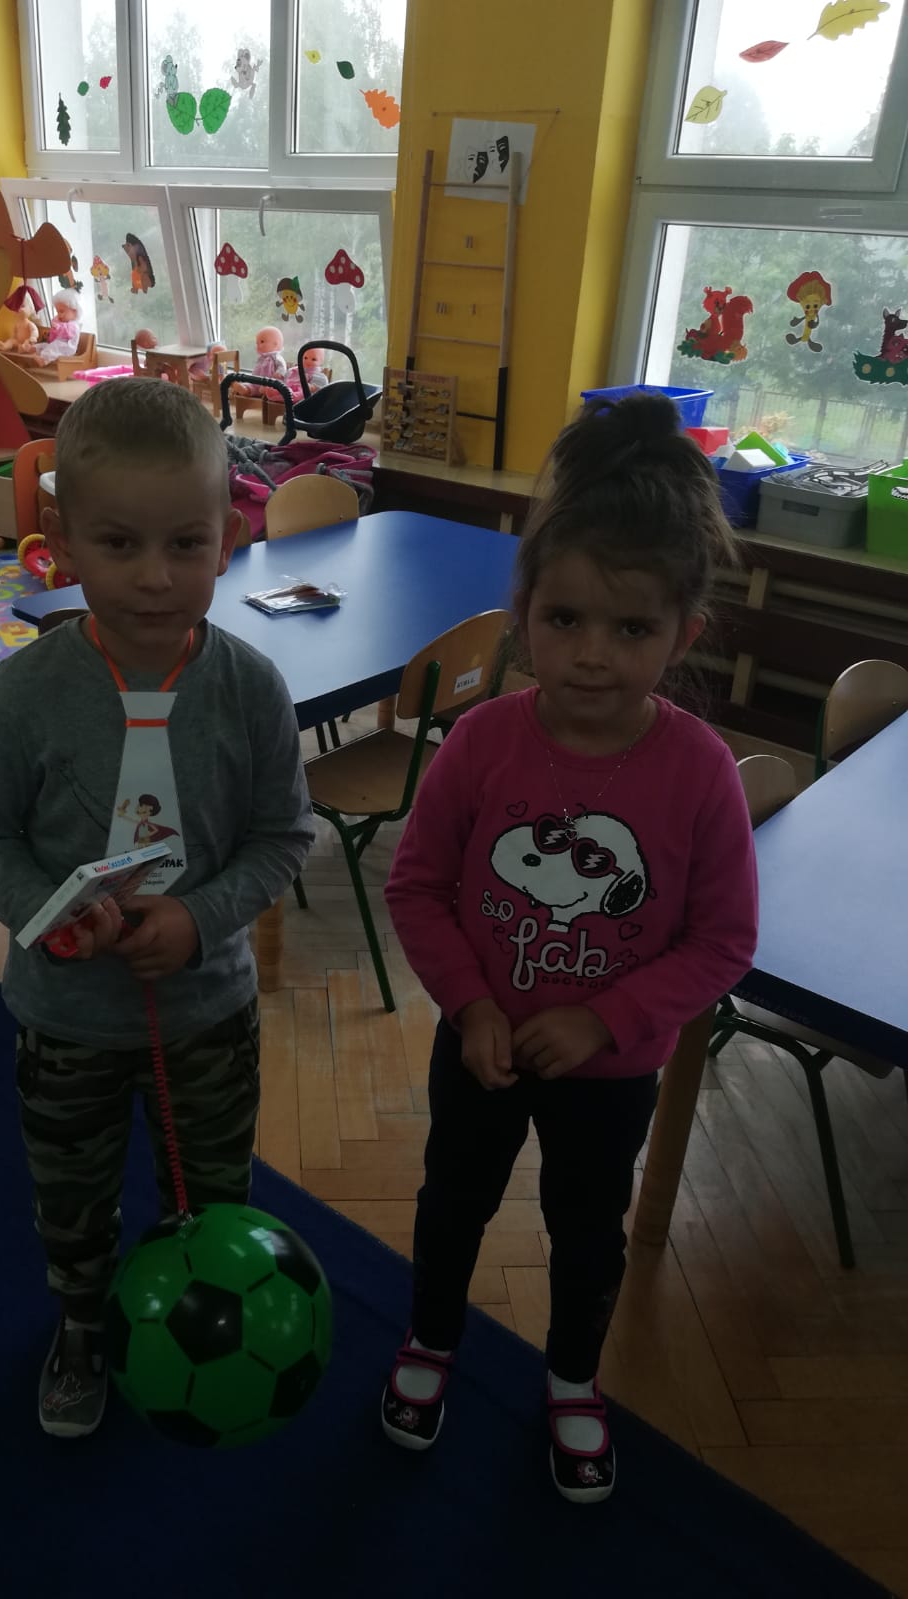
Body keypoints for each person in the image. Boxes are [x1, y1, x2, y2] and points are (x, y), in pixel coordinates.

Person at [380, 394, 759, 1502]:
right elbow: (417, 885)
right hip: (483, 1048)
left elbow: (724, 939)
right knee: (453, 1202)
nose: (592, 656)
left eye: (631, 630)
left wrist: (605, 1019)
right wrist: (470, 1006)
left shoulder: (698, 772)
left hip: (612, 1073)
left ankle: (574, 1380)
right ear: (523, 614)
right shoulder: (482, 741)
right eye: (565, 619)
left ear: (685, 634)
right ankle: (432, 1338)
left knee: (588, 1231)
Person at [0, 377, 314, 1439]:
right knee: (72, 1191)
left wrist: (200, 919)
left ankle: (215, 1314)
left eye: (186, 545)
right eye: (119, 544)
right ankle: (80, 1320)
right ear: (63, 542)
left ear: (228, 538)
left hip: (208, 1014)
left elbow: (283, 837)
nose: (155, 577)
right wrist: (46, 913)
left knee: (214, 1187)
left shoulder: (251, 689)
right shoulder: (26, 693)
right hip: (66, 1020)